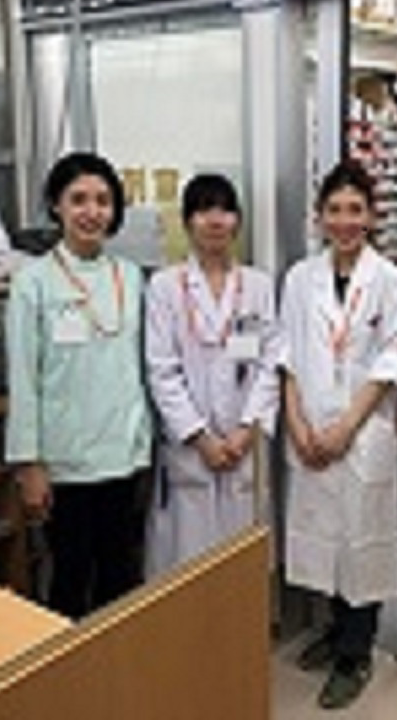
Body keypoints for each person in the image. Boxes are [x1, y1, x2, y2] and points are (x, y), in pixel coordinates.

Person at [279, 160, 397, 710]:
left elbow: (392, 360)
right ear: (320, 217)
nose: (345, 221)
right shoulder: (300, 278)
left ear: (372, 216)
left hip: (362, 433)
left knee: (362, 540)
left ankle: (355, 655)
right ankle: (336, 632)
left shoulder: (391, 281)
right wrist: (298, 425)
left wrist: (345, 428)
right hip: (311, 429)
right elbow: (285, 355)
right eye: (334, 210)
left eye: (355, 209)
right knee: (325, 537)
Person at [5, 151, 152, 620]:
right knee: (70, 579)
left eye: (103, 201)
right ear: (56, 205)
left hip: (124, 455)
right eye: (79, 199)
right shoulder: (32, 283)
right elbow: (23, 377)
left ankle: (121, 664)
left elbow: (140, 367)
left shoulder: (130, 276)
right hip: (65, 463)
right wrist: (29, 464)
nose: (92, 212)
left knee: (121, 577)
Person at [145, 174, 280, 573]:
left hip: (244, 446)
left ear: (237, 220)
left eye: (224, 210)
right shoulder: (165, 287)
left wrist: (246, 430)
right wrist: (200, 438)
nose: (215, 220)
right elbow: (162, 370)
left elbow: (270, 365)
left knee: (242, 563)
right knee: (189, 563)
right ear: (187, 221)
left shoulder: (257, 286)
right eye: (204, 210)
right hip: (192, 451)